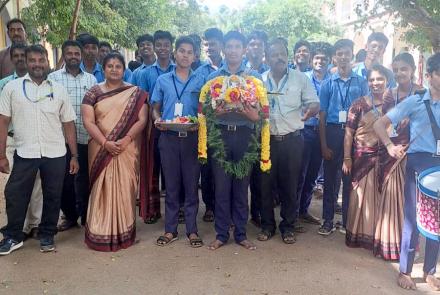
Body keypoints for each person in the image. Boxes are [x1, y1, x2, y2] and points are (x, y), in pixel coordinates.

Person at [0, 45, 78, 255]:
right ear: (26, 62)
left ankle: (47, 235)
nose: (37, 64)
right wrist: (1, 155)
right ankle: (13, 236)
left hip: (55, 152)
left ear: (47, 62)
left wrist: (74, 155)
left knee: (53, 195)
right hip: (25, 151)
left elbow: (68, 124)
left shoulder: (58, 89)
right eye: (32, 60)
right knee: (15, 194)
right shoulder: (12, 88)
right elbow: (3, 121)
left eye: (40, 60)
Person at [374, 52, 440, 291]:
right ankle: (404, 271)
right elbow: (379, 124)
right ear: (429, 75)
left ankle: (430, 271)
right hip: (418, 163)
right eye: (439, 73)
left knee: (437, 222)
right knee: (413, 219)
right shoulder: (416, 101)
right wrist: (390, 146)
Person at [81, 52, 148, 251]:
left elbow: (142, 120)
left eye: (118, 66)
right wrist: (105, 143)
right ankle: (99, 232)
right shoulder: (93, 92)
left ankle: (125, 232)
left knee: (125, 187)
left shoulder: (135, 92)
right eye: (110, 65)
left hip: (126, 148)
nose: (114, 69)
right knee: (101, 189)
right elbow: (88, 121)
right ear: (103, 68)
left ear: (123, 69)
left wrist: (126, 139)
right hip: (100, 148)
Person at [257, 38, 319, 244]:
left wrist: (311, 110)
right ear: (266, 58)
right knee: (265, 185)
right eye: (274, 54)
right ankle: (267, 225)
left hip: (293, 141)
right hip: (267, 141)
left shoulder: (300, 79)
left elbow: (314, 103)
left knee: (290, 185)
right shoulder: (259, 80)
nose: (279, 57)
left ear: (288, 56)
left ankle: (288, 226)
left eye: (282, 53)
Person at [205, 30, 261, 251]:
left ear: (244, 49)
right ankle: (221, 234)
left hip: (245, 135)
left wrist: (253, 115)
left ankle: (240, 233)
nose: (233, 51)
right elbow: (205, 112)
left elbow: (262, 112)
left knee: (241, 186)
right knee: (221, 187)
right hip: (221, 135)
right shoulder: (214, 79)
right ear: (223, 49)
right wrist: (216, 113)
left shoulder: (253, 78)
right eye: (229, 46)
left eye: (238, 46)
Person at [152, 36, 204, 247]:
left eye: (189, 52)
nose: (185, 55)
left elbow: (204, 110)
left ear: (195, 56)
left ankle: (192, 230)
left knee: (191, 186)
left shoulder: (200, 80)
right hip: (169, 138)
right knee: (171, 186)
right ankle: (170, 230)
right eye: (181, 51)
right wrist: (157, 121)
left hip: (192, 138)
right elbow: (155, 107)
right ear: (175, 53)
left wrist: (200, 124)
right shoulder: (163, 80)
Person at [374, 53, 424, 260]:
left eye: (403, 69)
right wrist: (388, 146)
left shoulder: (422, 93)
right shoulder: (389, 94)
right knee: (391, 198)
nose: (399, 73)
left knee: (411, 201)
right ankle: (389, 244)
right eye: (395, 70)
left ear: (412, 69)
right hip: (392, 152)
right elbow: (383, 124)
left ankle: (410, 247)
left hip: (414, 152)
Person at [318, 39, 368, 236]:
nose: (343, 57)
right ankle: (328, 220)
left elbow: (366, 111)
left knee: (349, 179)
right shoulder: (327, 83)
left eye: (347, 53)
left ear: (352, 55)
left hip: (354, 134)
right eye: (339, 53)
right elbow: (322, 115)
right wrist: (323, 144)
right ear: (334, 57)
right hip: (332, 131)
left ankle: (347, 221)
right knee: (330, 179)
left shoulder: (361, 83)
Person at [48, 40, 97, 229]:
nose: (74, 57)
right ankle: (69, 216)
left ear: (81, 54)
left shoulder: (91, 80)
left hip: (85, 138)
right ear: (64, 55)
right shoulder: (53, 79)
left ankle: (86, 216)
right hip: (60, 140)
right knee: (64, 182)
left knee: (84, 180)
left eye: (77, 53)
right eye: (69, 53)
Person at [0, 43, 43, 239]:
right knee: (14, 187)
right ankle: (16, 226)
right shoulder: (6, 84)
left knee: (35, 184)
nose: (18, 59)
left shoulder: (41, 83)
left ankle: (34, 224)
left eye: (21, 55)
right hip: (12, 141)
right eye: (15, 56)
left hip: (33, 140)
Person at [343, 65, 388, 253]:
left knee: (382, 200)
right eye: (372, 80)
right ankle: (358, 236)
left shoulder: (393, 105)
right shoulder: (359, 104)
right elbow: (349, 132)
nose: (375, 83)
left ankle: (378, 238)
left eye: (380, 79)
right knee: (360, 198)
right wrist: (347, 157)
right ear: (367, 82)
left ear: (387, 80)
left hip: (387, 159)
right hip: (363, 158)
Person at [137, 30, 175, 224]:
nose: (162, 48)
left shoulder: (179, 70)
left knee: (173, 171)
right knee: (153, 168)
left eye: (166, 45)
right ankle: (152, 210)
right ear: (154, 47)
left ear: (171, 47)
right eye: (158, 44)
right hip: (152, 128)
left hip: (176, 128)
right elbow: (142, 102)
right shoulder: (146, 74)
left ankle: (177, 209)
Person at [297, 42, 332, 226]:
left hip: (322, 133)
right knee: (300, 174)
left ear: (329, 61)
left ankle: (304, 210)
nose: (320, 61)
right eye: (317, 58)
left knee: (312, 175)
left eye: (324, 59)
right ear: (311, 60)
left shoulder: (331, 80)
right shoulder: (303, 78)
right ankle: (293, 214)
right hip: (305, 130)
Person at [195, 27, 224, 223]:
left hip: (228, 129)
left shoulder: (232, 69)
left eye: (213, 44)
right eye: (206, 44)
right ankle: (210, 207)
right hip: (207, 129)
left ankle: (225, 207)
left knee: (223, 170)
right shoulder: (200, 72)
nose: (209, 48)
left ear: (221, 45)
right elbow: (198, 99)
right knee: (206, 171)